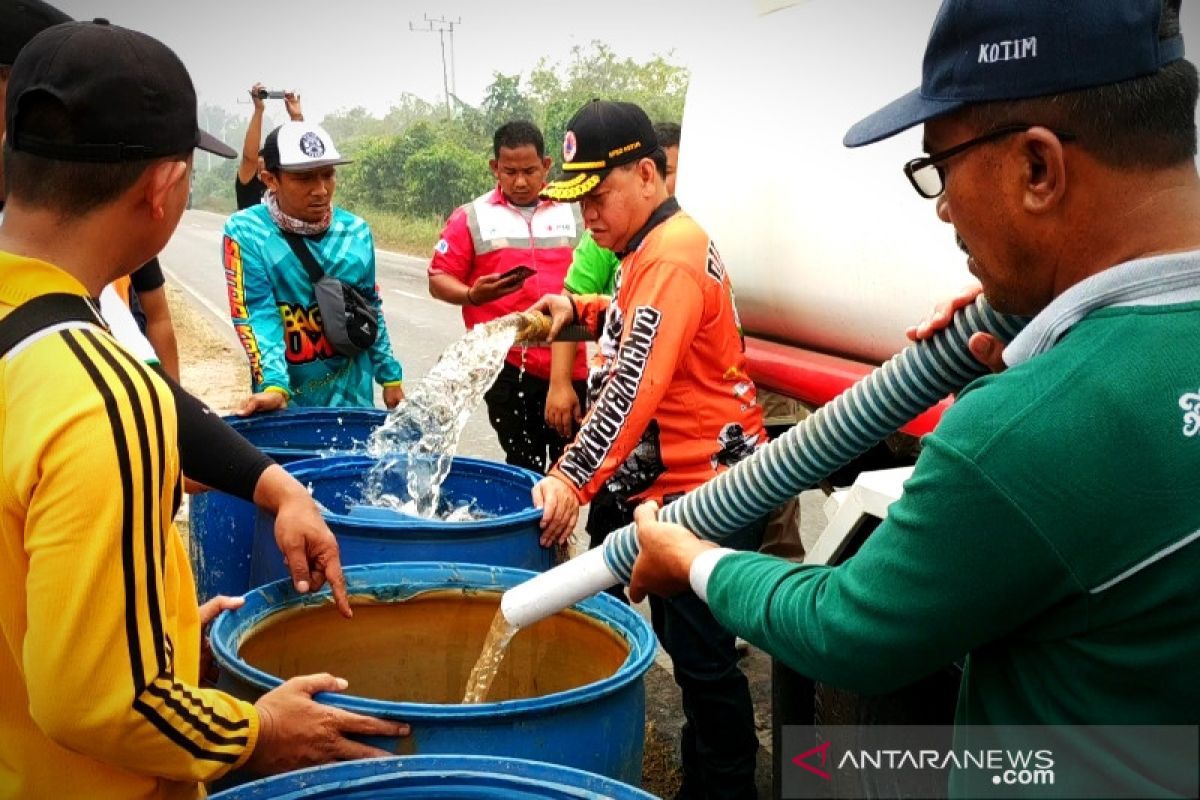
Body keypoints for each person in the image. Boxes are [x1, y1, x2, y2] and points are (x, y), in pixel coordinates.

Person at [628, 1, 1200, 796]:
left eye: (941, 167)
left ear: (1038, 167)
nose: (941, 207)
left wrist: (694, 560)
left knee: (835, 764)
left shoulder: (1025, 434)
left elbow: (847, 629)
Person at [0, 20, 407, 799]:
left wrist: (168, 628)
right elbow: (95, 700)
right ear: (163, 188)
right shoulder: (102, 398)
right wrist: (254, 731)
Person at [533, 100, 766, 800]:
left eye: (598, 197)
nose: (589, 218)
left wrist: (572, 477)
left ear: (647, 172)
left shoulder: (666, 254)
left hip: (706, 490)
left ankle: (724, 790)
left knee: (702, 666)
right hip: (682, 485)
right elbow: (640, 327)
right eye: (579, 204)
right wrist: (582, 309)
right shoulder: (651, 247)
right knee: (695, 658)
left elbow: (634, 384)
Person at [428, 120, 588, 475]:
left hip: (572, 362)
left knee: (571, 468)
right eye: (509, 171)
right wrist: (470, 294)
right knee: (524, 467)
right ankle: (537, 529)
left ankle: (554, 529)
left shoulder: (576, 212)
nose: (519, 181)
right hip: (508, 368)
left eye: (530, 171)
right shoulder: (471, 217)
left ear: (547, 166)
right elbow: (438, 278)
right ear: (494, 168)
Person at [224, 120, 405, 413]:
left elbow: (369, 306)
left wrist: (389, 376)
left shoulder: (356, 232)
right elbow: (257, 313)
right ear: (270, 179)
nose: (320, 190)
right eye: (304, 178)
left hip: (352, 399)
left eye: (327, 175)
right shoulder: (247, 232)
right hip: (287, 404)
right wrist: (273, 385)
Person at [236, 82, 303, 211]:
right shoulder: (247, 184)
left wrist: (296, 117)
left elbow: (299, 157)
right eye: (259, 167)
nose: (262, 169)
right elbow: (249, 158)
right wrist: (259, 110)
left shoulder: (282, 184)